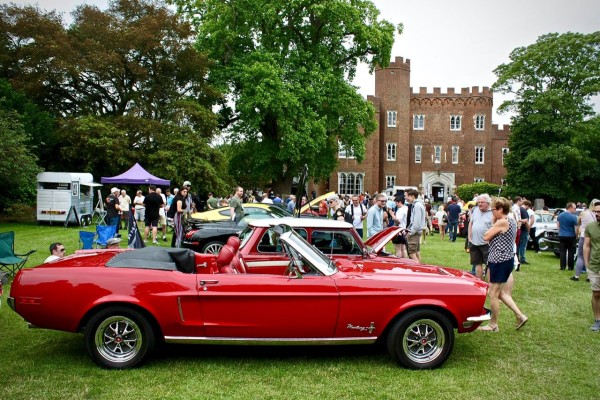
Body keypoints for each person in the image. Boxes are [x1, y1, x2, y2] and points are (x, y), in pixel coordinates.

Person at [478, 197, 528, 332]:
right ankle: (520, 316)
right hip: (506, 259)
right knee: (501, 293)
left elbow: (486, 236)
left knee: (493, 293)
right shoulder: (511, 220)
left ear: (500, 209)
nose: (492, 212)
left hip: (499, 260)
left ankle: (493, 324)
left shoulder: (502, 222)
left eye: (493, 209)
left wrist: (493, 223)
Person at [583, 201, 600, 331]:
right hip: (595, 265)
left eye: (599, 212)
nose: (597, 214)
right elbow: (587, 245)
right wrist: (587, 263)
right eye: (596, 212)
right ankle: (597, 320)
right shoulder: (591, 226)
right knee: (596, 294)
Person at [573, 199, 600, 281]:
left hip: (584, 235)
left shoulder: (584, 213)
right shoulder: (595, 215)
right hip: (594, 235)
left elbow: (578, 223)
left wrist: (577, 233)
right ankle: (589, 276)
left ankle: (577, 275)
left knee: (581, 257)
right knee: (593, 254)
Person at [469, 194, 493, 279]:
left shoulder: (493, 212)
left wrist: (490, 240)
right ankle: (478, 282)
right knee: (477, 263)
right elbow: (471, 223)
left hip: (487, 243)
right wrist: (469, 237)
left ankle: (490, 284)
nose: (479, 204)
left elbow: (494, 228)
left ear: (488, 203)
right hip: (474, 242)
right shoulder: (475, 210)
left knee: (489, 264)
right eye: (478, 202)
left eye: (482, 202)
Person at [405, 190, 426, 262]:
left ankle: (417, 269)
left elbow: (416, 223)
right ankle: (420, 268)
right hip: (417, 231)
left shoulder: (417, 205)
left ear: (413, 196)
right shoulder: (418, 204)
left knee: (411, 253)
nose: (407, 198)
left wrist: (410, 232)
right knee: (416, 252)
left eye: (408, 196)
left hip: (415, 232)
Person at [557, 202, 578, 271]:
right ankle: (570, 267)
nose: (575, 210)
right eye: (574, 208)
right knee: (571, 252)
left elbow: (558, 226)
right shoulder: (573, 217)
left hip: (562, 235)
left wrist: (560, 232)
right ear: (570, 208)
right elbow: (576, 228)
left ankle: (562, 266)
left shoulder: (560, 215)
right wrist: (576, 235)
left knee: (562, 251)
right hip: (571, 236)